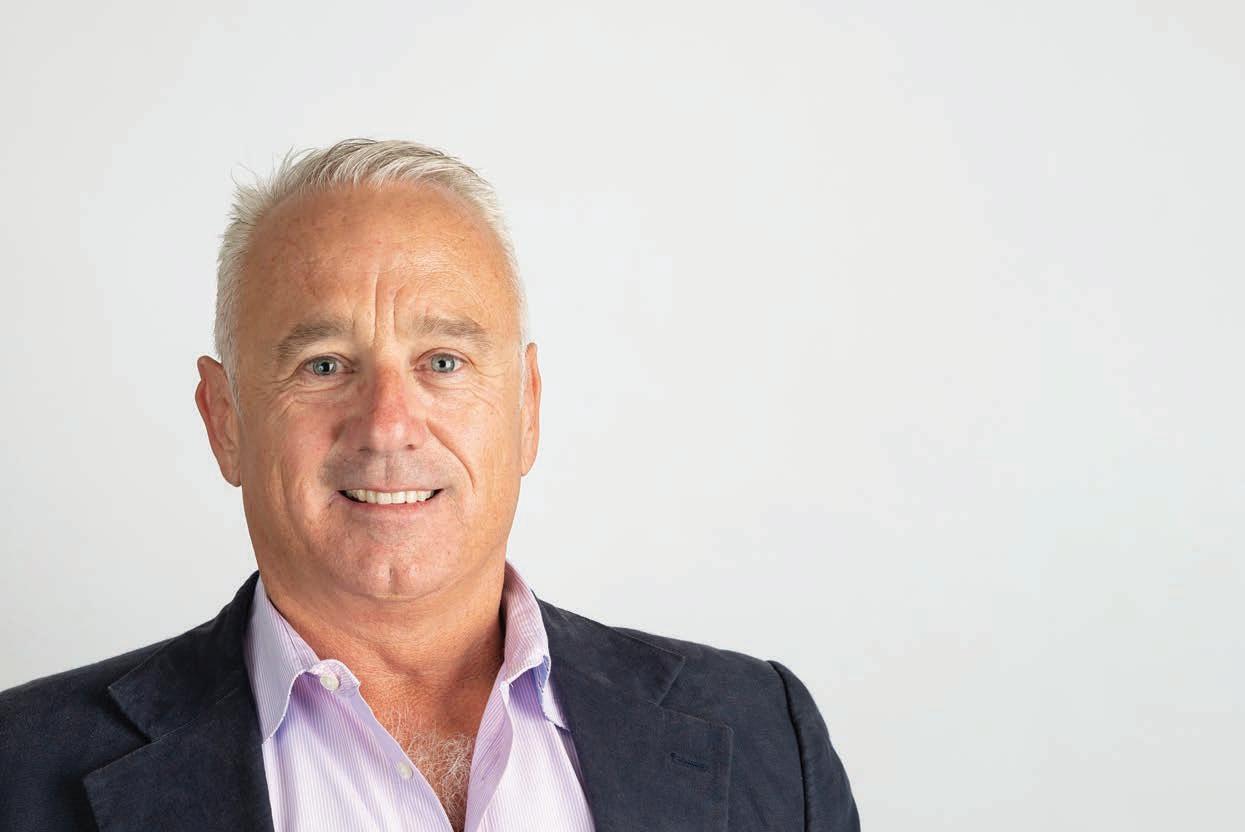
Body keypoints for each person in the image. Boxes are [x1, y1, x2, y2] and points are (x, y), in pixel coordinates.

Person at [0, 139, 860, 831]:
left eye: (443, 362)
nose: (387, 425)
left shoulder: (762, 734)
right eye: (324, 364)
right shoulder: (21, 769)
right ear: (224, 419)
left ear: (526, 408)